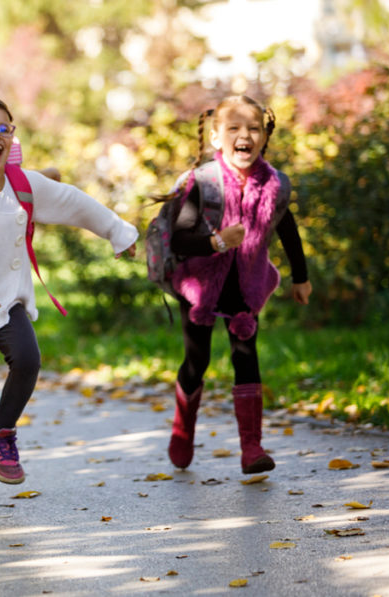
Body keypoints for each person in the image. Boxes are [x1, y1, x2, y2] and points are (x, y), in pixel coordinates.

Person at [0, 98, 138, 511]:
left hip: (5, 300)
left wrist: (117, 231)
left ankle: (1, 433)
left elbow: (74, 202)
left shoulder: (24, 186)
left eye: (4, 127)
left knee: (28, 359)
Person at [165, 95, 311, 475]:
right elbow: (178, 240)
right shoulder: (204, 183)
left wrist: (301, 276)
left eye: (254, 128)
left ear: (264, 137)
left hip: (246, 283)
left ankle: (252, 447)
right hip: (200, 283)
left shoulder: (273, 184)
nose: (244, 135)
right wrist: (215, 242)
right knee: (198, 360)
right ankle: (183, 429)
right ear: (217, 138)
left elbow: (287, 227)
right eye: (234, 128)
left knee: (246, 357)